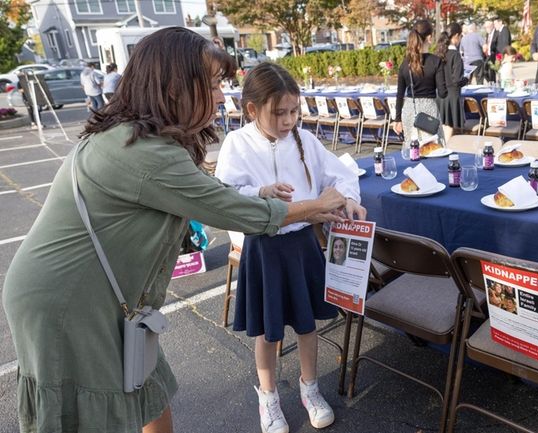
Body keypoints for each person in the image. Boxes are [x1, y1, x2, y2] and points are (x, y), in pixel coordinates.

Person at [2, 27, 346, 433]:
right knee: (89, 414)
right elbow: (233, 210)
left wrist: (272, 198)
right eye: (214, 84)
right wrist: (315, 207)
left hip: (105, 297)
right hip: (67, 303)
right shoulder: (144, 152)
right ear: (174, 87)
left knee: (148, 389)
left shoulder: (137, 137)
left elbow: (207, 191)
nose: (221, 96)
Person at [215, 62, 366, 433]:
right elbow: (225, 196)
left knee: (306, 323)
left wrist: (348, 199)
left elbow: (339, 173)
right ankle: (268, 397)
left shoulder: (305, 140)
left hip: (301, 244)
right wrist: (260, 193)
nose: (288, 120)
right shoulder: (237, 143)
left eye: (294, 111)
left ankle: (309, 387)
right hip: (264, 249)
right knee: (269, 331)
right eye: (278, 112)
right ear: (252, 109)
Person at [393, 19, 448, 142]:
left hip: (409, 110)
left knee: (413, 150)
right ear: (429, 37)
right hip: (429, 111)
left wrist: (397, 120)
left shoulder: (405, 63)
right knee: (435, 148)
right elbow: (443, 93)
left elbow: (399, 94)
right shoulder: (435, 61)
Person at [436, 23, 467, 131]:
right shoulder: (455, 54)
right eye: (461, 36)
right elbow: (457, 80)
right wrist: (466, 79)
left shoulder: (439, 53)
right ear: (456, 36)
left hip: (440, 95)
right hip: (452, 95)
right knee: (449, 128)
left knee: (442, 128)